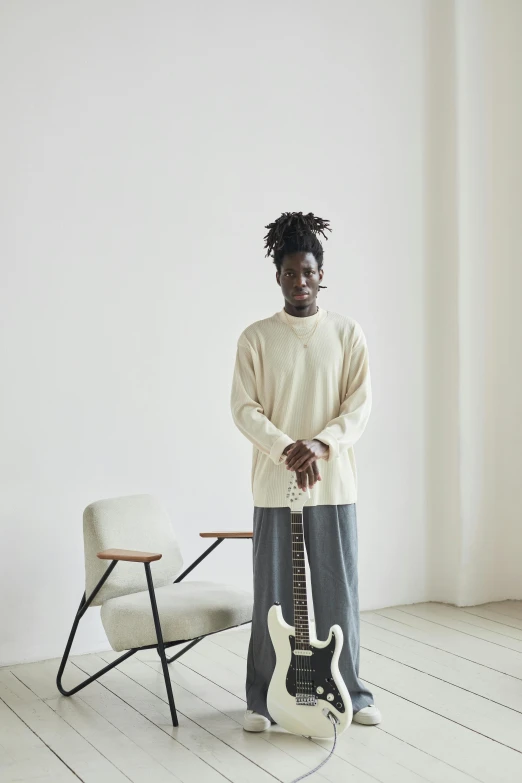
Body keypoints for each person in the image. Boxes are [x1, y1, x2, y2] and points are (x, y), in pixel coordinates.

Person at [230, 211, 381, 732]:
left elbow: (358, 407)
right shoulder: (255, 338)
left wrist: (319, 445)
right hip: (275, 488)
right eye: (290, 273)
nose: (300, 282)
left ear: (322, 275)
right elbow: (245, 409)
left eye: (308, 272)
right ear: (278, 277)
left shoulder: (346, 333)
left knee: (339, 593)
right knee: (271, 598)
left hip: (334, 486)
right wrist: (287, 449)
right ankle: (263, 700)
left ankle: (351, 695)